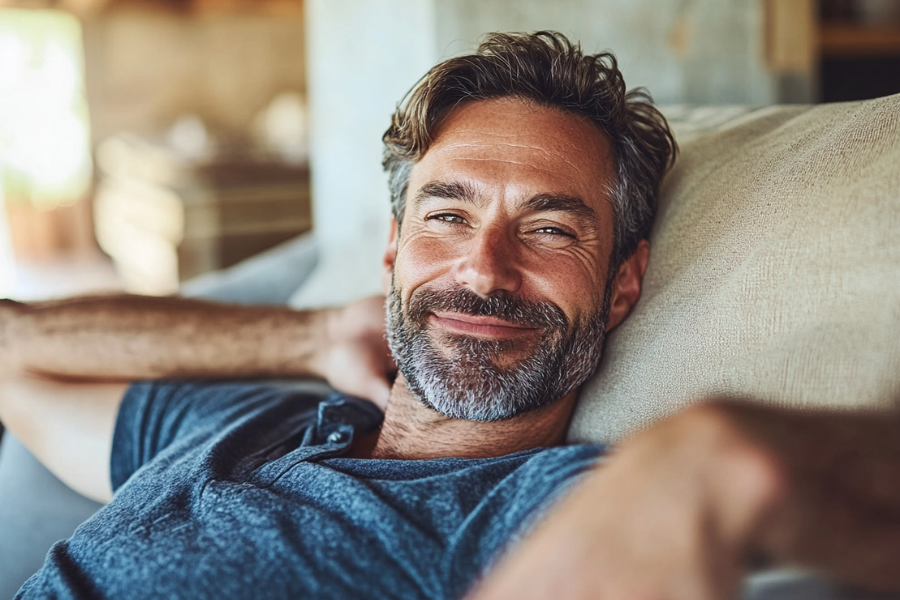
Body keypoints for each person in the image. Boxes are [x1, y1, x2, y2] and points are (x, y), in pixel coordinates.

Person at [1, 31, 899, 600]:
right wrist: (304, 337)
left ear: (623, 286)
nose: (484, 268)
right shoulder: (250, 425)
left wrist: (705, 459)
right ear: (393, 248)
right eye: (448, 216)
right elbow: (13, 353)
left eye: (549, 228)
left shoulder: (551, 510)